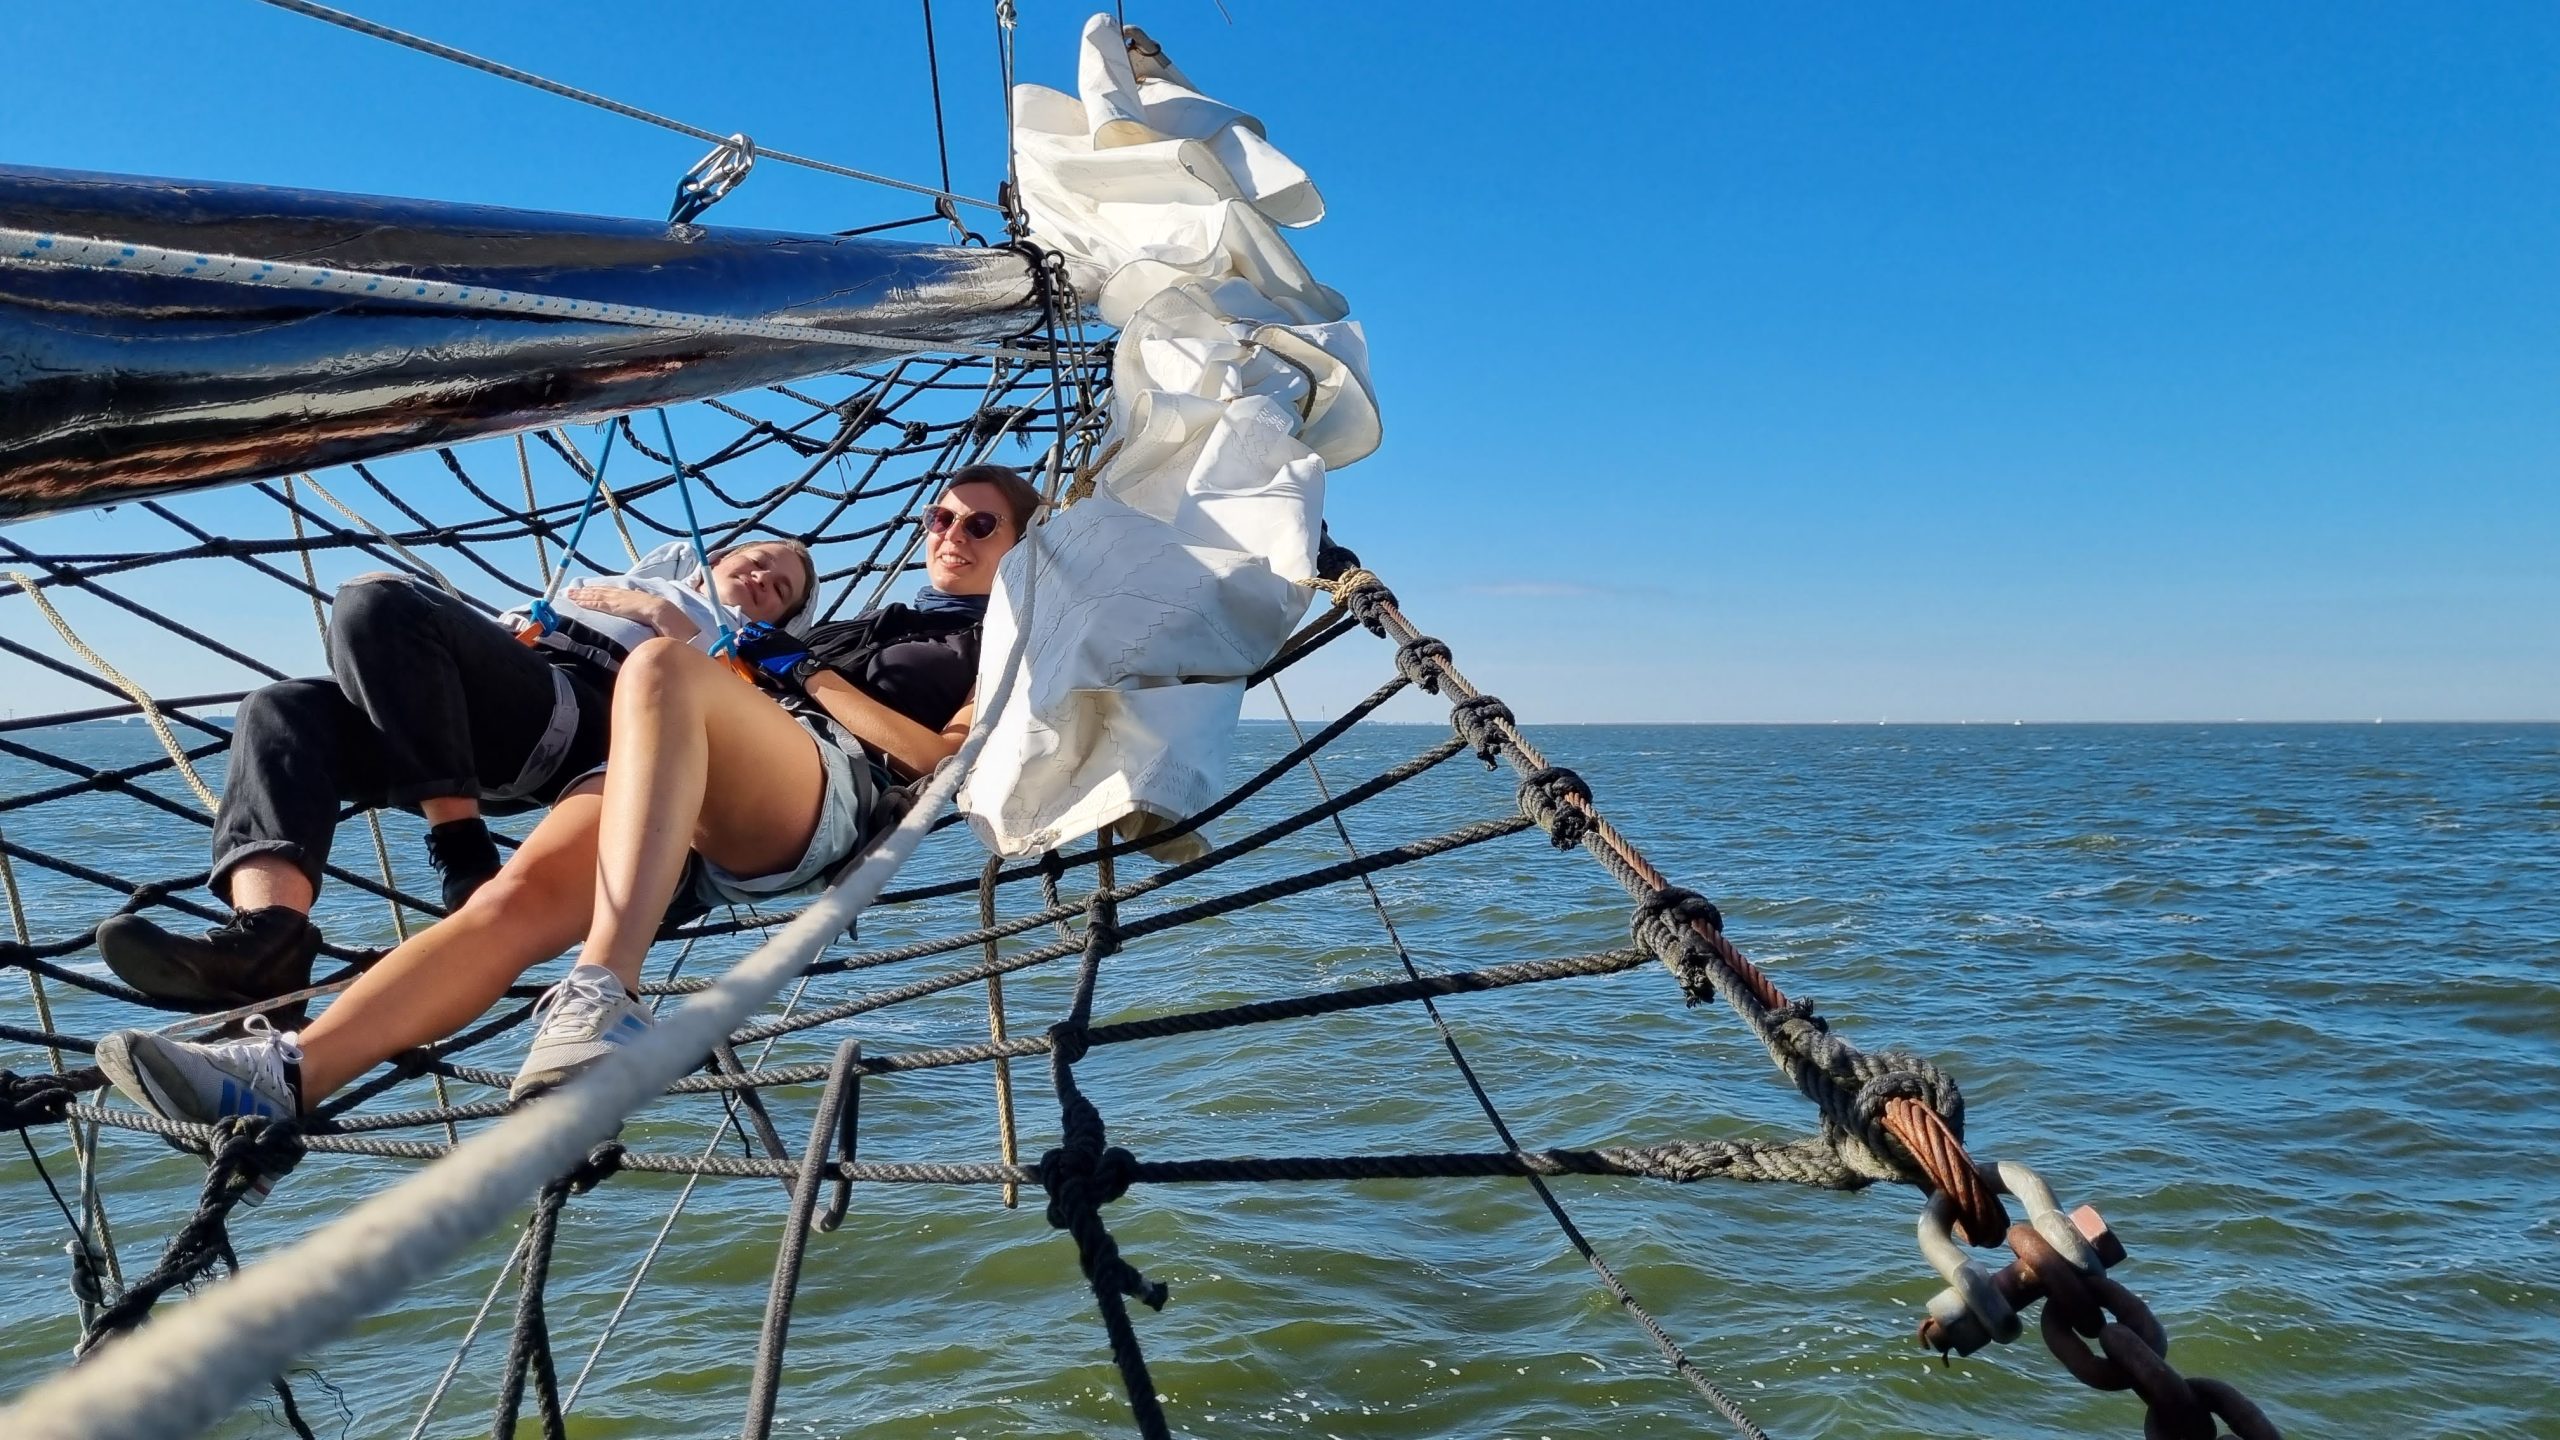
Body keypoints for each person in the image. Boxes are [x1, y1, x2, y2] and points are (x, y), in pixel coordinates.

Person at [95, 463, 1038, 1123]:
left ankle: (604, 993)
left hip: (816, 788)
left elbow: (934, 757)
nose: (950, 535)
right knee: (505, 901)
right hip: (672, 772)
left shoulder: (999, 637)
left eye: (979, 525)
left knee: (661, 668)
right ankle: (287, 1074)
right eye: (939, 519)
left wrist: (804, 672)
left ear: (1022, 546)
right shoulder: (870, 619)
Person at [93, 536, 819, 1010]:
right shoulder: (602, 582)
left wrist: (656, 610)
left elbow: (726, 708)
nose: (762, 578)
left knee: (375, 598)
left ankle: (464, 854)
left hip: (576, 719)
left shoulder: (747, 642)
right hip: (459, 732)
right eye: (756, 561)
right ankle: (268, 941)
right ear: (714, 558)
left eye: (780, 586)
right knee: (279, 711)